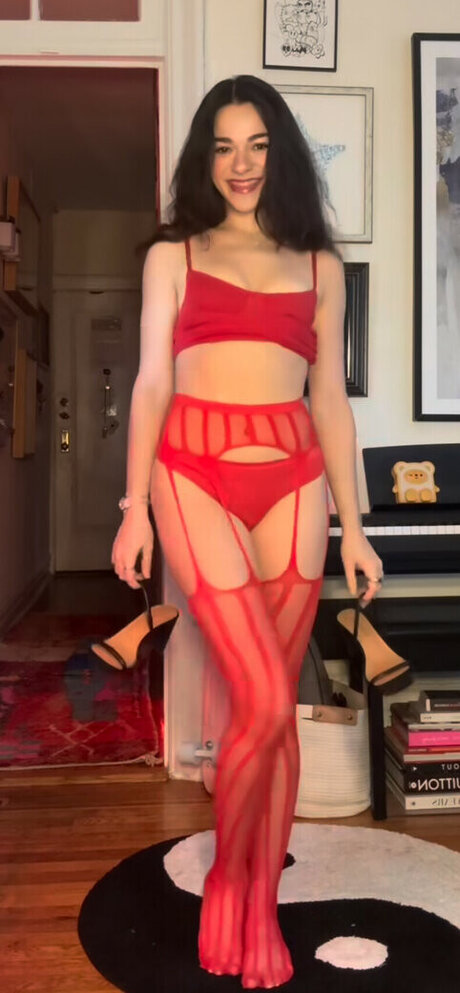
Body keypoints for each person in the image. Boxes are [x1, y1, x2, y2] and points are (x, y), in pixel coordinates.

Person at [111, 75, 384, 990]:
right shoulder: (173, 256)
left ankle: (255, 894)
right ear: (204, 157)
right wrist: (133, 507)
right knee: (262, 697)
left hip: (296, 480)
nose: (241, 164)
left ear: (282, 153)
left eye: (258, 144)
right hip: (193, 474)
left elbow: (330, 400)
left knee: (275, 713)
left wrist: (356, 526)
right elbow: (152, 382)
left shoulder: (320, 266)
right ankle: (231, 875)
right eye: (224, 146)